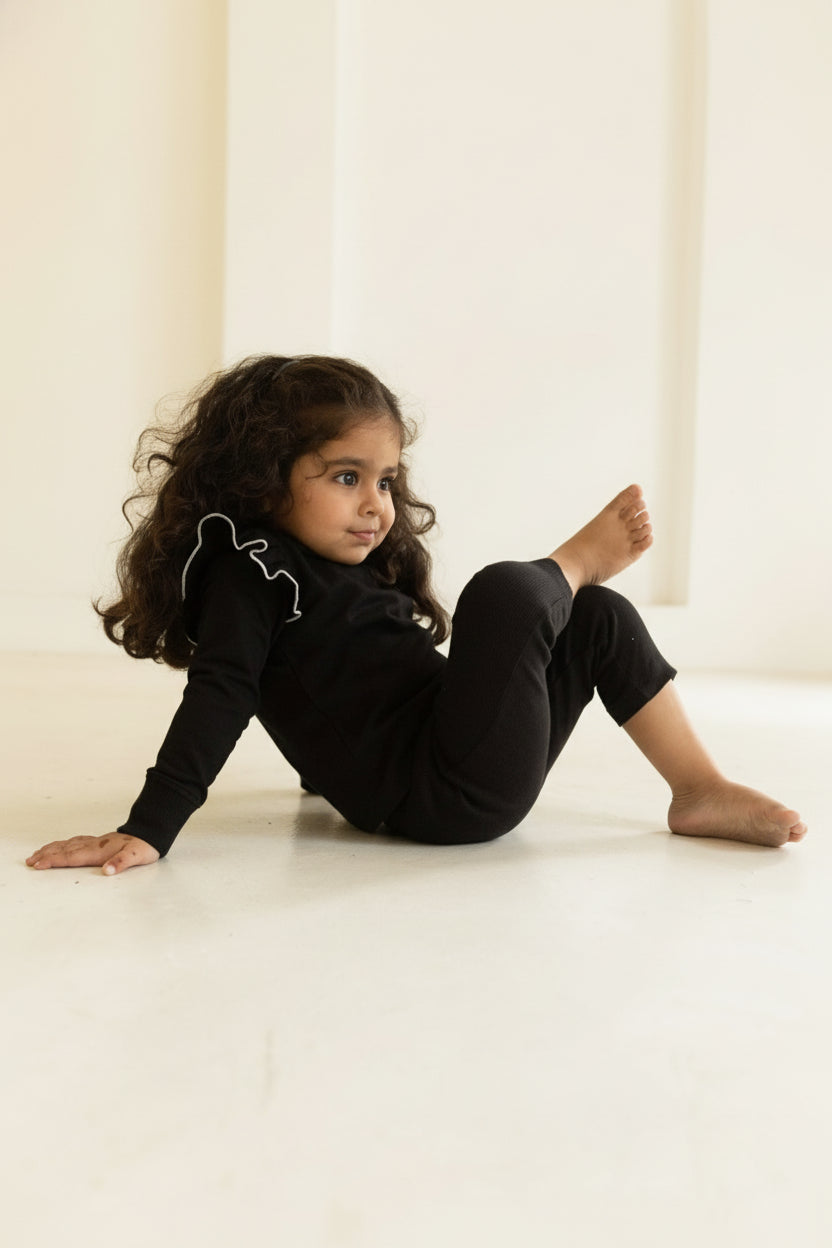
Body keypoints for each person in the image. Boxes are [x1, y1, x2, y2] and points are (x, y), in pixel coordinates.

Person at [26, 355, 807, 876]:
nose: (377, 505)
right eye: (345, 476)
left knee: (595, 615)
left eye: (387, 479)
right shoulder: (249, 569)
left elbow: (328, 684)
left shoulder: (333, 564)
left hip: (461, 760)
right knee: (507, 592)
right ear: (265, 482)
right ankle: (573, 561)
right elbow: (226, 691)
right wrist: (150, 828)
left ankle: (699, 786)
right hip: (436, 796)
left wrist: (316, 771)